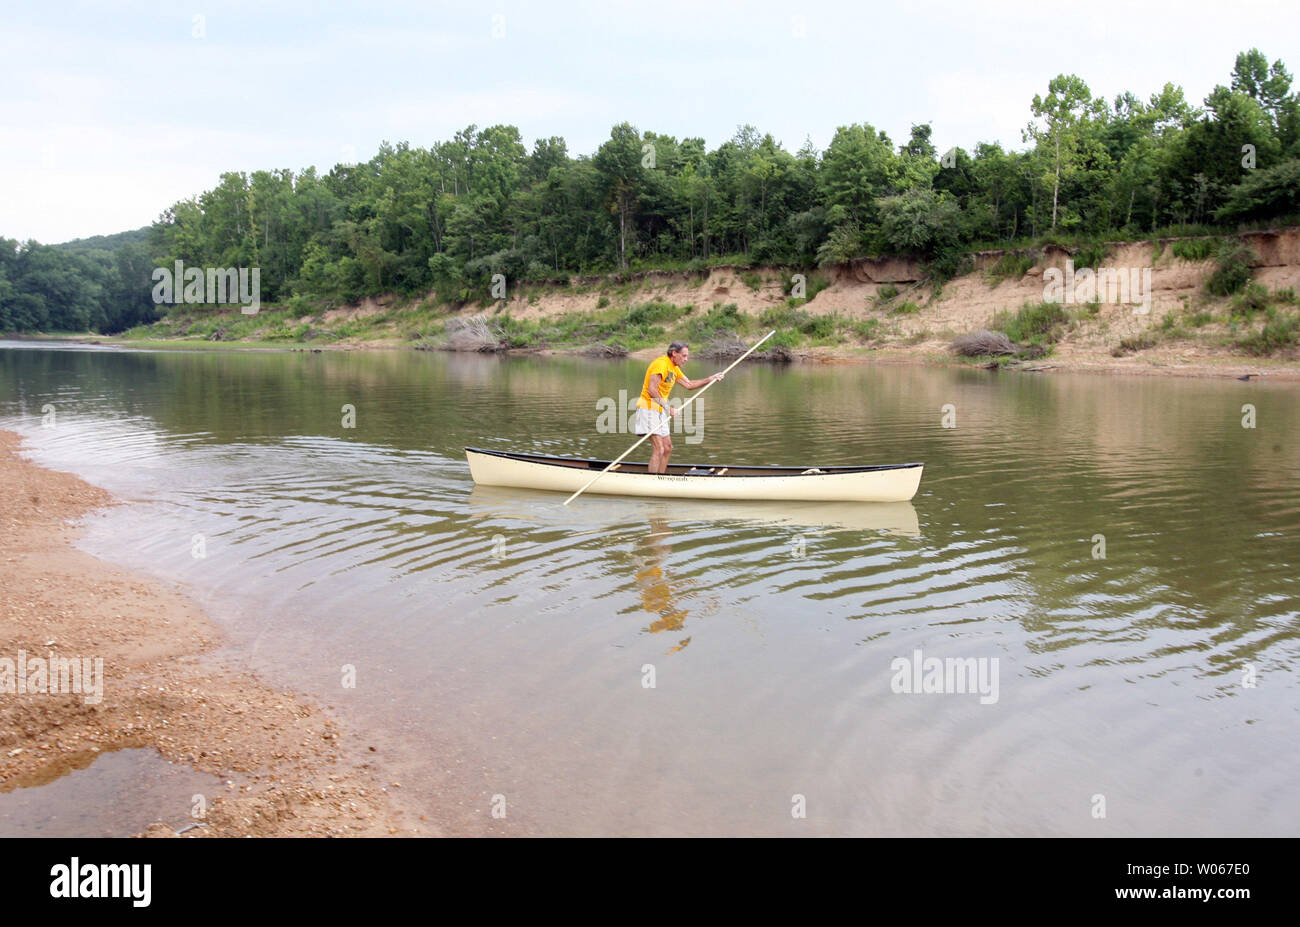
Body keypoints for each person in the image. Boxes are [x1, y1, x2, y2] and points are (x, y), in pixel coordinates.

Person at [634, 341, 724, 474]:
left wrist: (710, 378)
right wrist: (668, 408)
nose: (686, 359)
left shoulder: (674, 369)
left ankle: (661, 478)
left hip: (660, 411)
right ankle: (652, 481)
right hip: (648, 408)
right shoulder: (661, 364)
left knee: (668, 447)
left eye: (687, 356)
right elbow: (651, 390)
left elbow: (689, 385)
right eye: (684, 356)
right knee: (659, 449)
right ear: (674, 353)